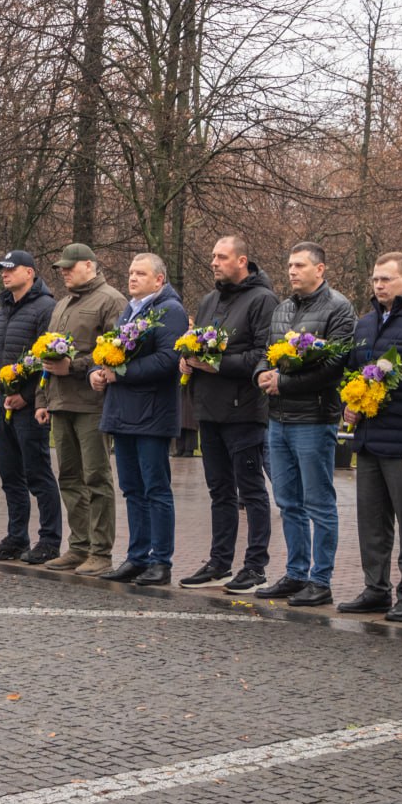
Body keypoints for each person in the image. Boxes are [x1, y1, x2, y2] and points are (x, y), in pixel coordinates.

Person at [252, 242, 355, 606]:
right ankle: (296, 574)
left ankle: (320, 580)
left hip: (313, 418)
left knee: (318, 503)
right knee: (287, 502)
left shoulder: (339, 308)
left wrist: (284, 382)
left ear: (320, 269)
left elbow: (333, 367)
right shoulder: (282, 309)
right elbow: (266, 353)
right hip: (278, 419)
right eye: (290, 265)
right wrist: (261, 374)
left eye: (299, 265)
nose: (292, 271)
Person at [336, 252, 402, 622]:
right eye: (375, 279)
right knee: (372, 523)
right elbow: (352, 375)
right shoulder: (364, 325)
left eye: (386, 279)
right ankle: (375, 589)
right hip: (367, 440)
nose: (379, 285)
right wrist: (348, 405)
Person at [180, 236, 278, 593]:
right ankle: (219, 563)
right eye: (212, 256)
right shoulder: (210, 300)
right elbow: (197, 344)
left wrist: (216, 364)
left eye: (222, 256)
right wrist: (187, 359)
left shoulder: (263, 300)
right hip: (209, 409)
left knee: (251, 492)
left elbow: (263, 355)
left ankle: (255, 567)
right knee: (220, 491)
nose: (214, 262)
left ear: (242, 261)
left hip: (244, 411)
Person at [93, 253, 186, 586]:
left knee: (155, 489)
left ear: (159, 279)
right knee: (132, 489)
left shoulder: (170, 311)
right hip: (123, 412)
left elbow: (167, 360)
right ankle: (137, 557)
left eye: (140, 274)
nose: (132, 278)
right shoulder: (130, 310)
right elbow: (113, 352)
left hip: (152, 413)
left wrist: (121, 373)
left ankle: (160, 561)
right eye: (131, 272)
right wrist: (98, 372)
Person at [34, 244, 127, 575]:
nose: (64, 272)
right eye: (61, 268)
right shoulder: (61, 305)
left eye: (70, 267)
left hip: (91, 404)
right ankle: (78, 547)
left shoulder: (111, 301)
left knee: (96, 477)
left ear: (89, 265)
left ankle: (100, 552)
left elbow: (116, 352)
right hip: (60, 403)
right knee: (70, 477)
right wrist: (42, 399)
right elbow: (47, 356)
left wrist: (73, 366)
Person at [0, 250, 61, 562]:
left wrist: (28, 396)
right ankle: (17, 537)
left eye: (11, 269)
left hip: (30, 406)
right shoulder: (3, 308)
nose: (4, 274)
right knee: (9, 474)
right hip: (2, 402)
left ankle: (50, 539)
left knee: (37, 473)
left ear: (29, 272)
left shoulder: (46, 307)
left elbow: (48, 359)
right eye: (2, 270)